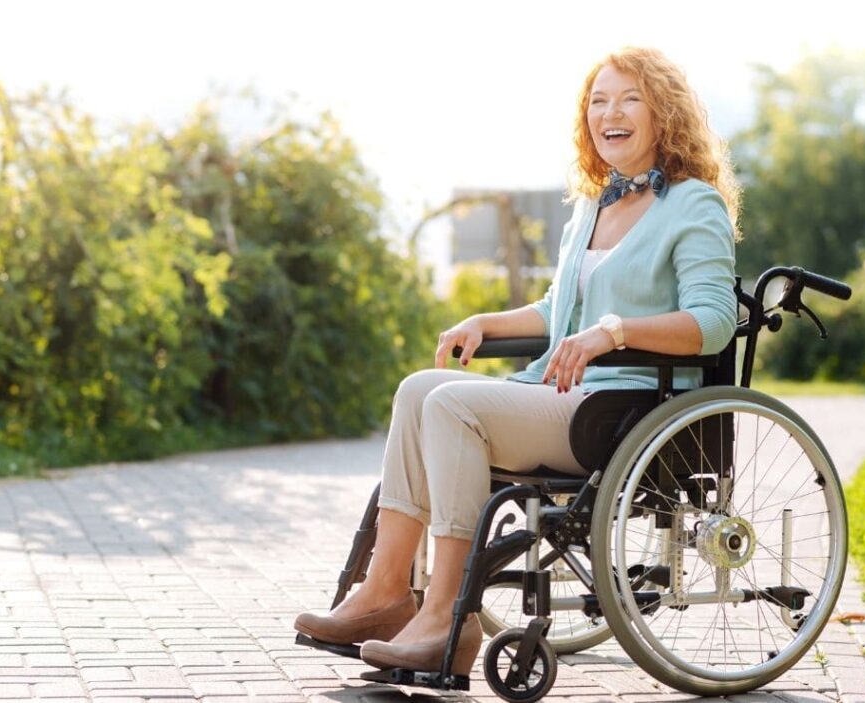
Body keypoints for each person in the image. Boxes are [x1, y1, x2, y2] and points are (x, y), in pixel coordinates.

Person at [294, 45, 741, 677]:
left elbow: (714, 323)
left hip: (626, 406)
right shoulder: (593, 206)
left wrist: (612, 333)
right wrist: (486, 323)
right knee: (418, 389)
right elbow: (558, 309)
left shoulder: (694, 205)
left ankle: (446, 615)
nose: (609, 113)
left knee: (451, 403)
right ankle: (385, 591)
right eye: (598, 101)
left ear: (664, 113)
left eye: (629, 99)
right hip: (558, 392)